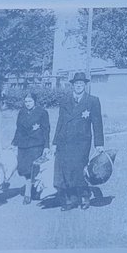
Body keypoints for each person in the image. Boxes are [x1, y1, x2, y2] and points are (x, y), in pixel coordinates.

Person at [53, 72, 103, 210]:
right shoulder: (65, 100)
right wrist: (55, 142)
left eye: (81, 84)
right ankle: (71, 200)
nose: (79, 86)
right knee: (66, 170)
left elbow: (97, 123)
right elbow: (60, 123)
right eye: (76, 84)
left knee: (80, 169)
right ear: (73, 85)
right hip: (65, 141)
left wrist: (99, 144)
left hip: (82, 142)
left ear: (85, 85)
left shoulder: (92, 101)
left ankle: (85, 196)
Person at [10, 92, 50, 205]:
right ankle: (33, 188)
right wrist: (14, 143)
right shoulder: (21, 112)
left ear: (35, 101)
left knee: (33, 169)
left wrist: (47, 146)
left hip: (36, 144)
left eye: (30, 101)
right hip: (23, 144)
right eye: (26, 101)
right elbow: (18, 129)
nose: (28, 104)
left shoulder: (42, 112)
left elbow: (46, 130)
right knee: (23, 168)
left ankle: (29, 193)